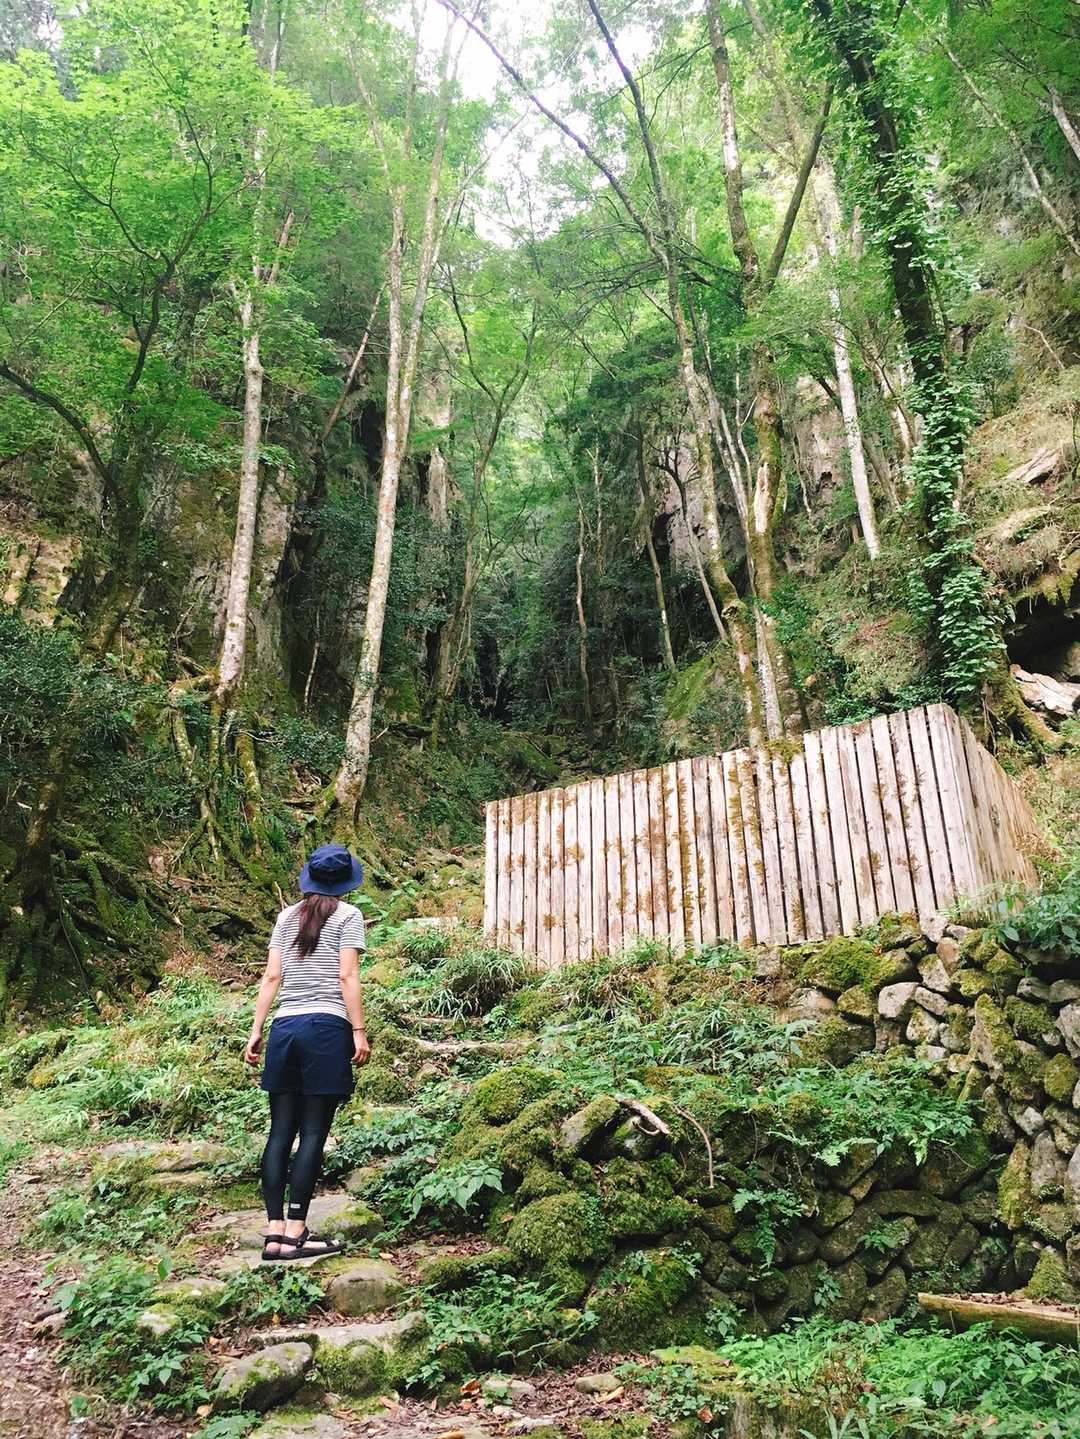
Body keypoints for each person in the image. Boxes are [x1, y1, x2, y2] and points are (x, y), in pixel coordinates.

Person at [244, 842, 371, 1260]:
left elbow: (271, 977)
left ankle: (274, 1233)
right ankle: (296, 1232)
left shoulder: (286, 917)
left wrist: (256, 1030)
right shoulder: (348, 916)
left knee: (280, 1131)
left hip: (284, 1029)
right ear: (345, 882)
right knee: (313, 1132)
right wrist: (358, 1031)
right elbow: (347, 976)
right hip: (325, 1029)